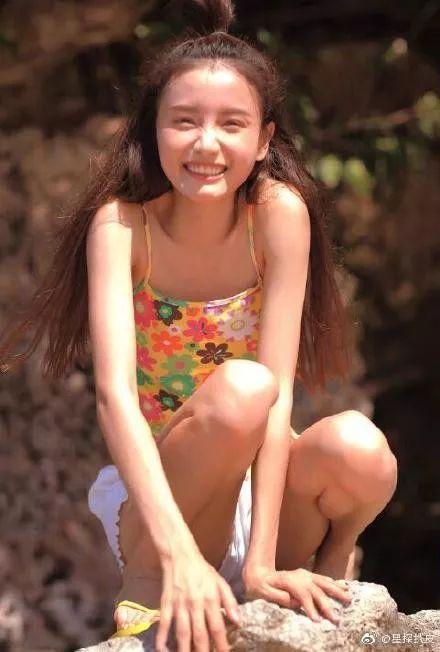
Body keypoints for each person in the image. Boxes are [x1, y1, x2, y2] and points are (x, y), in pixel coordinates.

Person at [0, 1, 398, 650]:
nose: (206, 144)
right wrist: (179, 554)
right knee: (242, 389)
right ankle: (155, 585)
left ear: (264, 140)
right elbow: (115, 400)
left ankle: (325, 568)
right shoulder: (123, 227)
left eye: (231, 124)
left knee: (359, 446)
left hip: (265, 496)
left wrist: (261, 561)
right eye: (184, 121)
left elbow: (279, 398)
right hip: (166, 500)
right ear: (154, 129)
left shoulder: (278, 214)